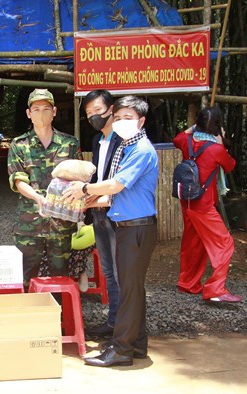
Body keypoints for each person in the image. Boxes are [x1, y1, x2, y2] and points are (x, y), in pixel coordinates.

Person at [64, 95, 158, 367]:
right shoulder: (128, 148)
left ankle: (121, 350)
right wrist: (92, 199)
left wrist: (84, 189)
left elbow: (115, 185)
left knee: (129, 291)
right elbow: (117, 193)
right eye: (117, 118)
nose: (120, 123)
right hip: (129, 225)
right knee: (132, 290)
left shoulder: (140, 150)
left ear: (141, 121)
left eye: (127, 118)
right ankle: (137, 344)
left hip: (136, 227)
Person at [7, 88, 80, 287]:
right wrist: (39, 198)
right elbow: (18, 180)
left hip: (60, 220)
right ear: (29, 114)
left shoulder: (69, 143)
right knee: (25, 275)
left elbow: (78, 177)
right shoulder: (19, 144)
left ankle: (59, 315)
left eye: (46, 109)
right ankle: (29, 316)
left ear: (54, 112)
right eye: (36, 109)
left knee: (60, 274)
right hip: (30, 221)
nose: (41, 114)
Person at [173, 106, 241, 303]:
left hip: (187, 201)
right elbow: (230, 165)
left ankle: (187, 283)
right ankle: (216, 289)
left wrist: (193, 129)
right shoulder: (216, 149)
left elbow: (177, 138)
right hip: (202, 204)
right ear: (218, 126)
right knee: (225, 243)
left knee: (193, 243)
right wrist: (221, 141)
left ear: (199, 123)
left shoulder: (187, 141)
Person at [80, 89, 121, 338]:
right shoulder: (98, 141)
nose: (94, 116)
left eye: (98, 110)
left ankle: (124, 328)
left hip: (118, 215)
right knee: (108, 271)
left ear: (111, 109)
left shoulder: (124, 140)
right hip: (99, 213)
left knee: (120, 271)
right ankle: (114, 322)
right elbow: (98, 177)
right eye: (89, 113)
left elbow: (118, 182)